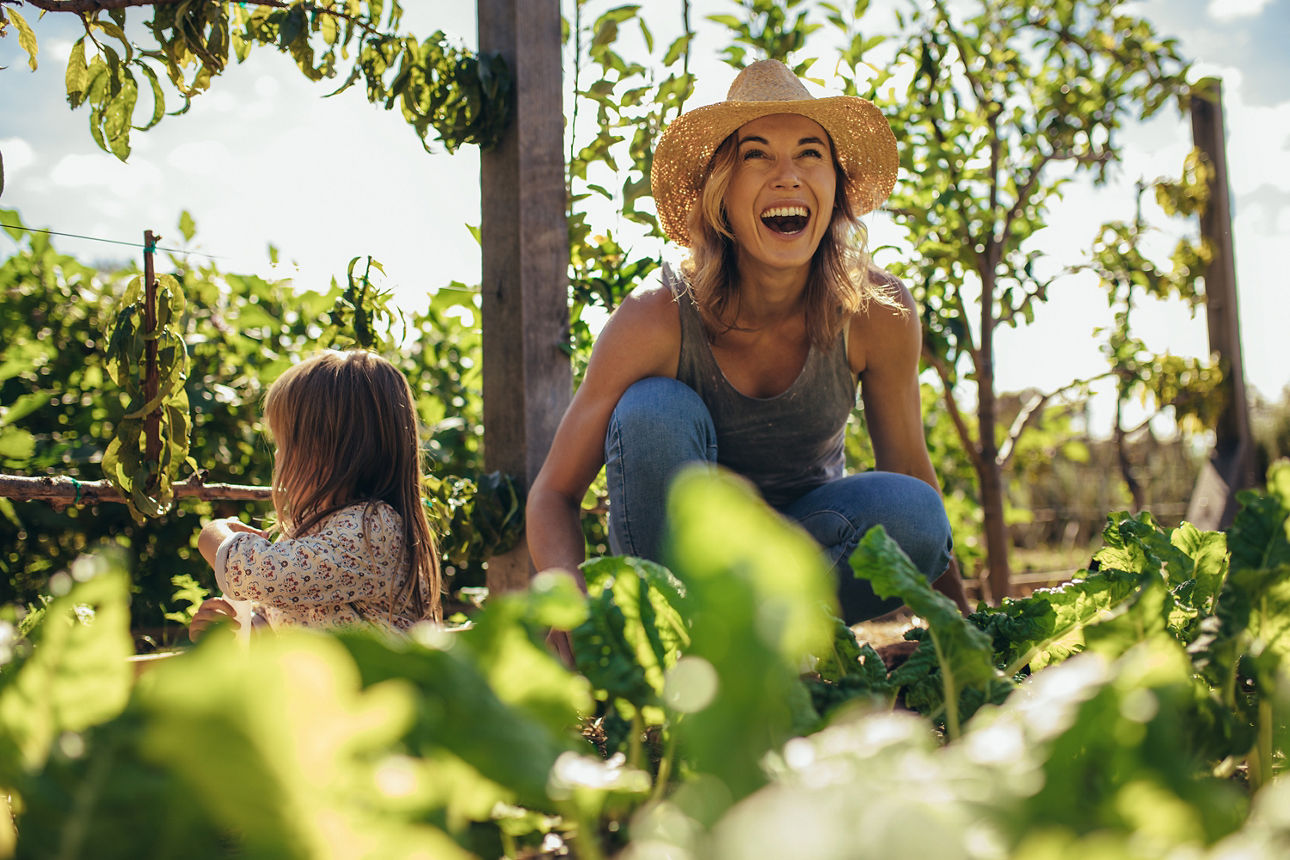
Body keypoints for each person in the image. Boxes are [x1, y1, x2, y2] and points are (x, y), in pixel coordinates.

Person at [526, 59, 969, 623]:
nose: (788, 176)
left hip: (808, 556)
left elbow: (908, 470)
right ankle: (681, 647)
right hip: (679, 577)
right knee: (653, 409)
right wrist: (566, 603)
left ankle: (774, 644)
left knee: (917, 513)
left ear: (835, 188)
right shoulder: (655, 318)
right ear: (721, 192)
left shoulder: (876, 312)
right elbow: (552, 495)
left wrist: (963, 638)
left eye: (811, 153)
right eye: (756, 154)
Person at [188, 349, 442, 640]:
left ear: (328, 451)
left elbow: (256, 574)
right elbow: (285, 616)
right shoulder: (308, 529)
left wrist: (214, 535)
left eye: (284, 442)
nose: (278, 455)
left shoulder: (372, 528)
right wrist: (237, 628)